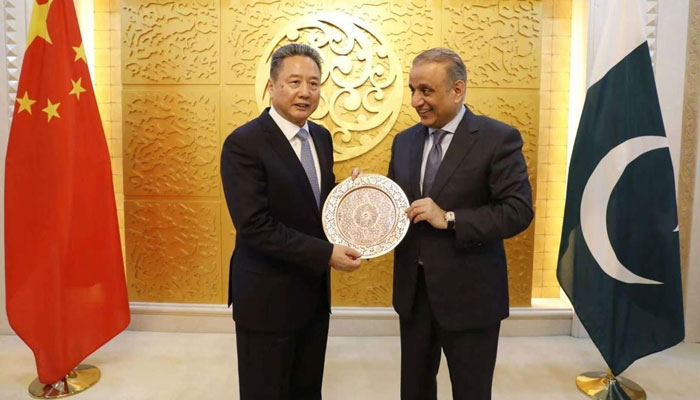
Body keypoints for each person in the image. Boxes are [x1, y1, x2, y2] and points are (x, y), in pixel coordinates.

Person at [387, 47, 534, 400]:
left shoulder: (498, 138)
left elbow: (517, 210)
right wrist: (364, 195)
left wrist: (450, 218)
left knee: (471, 392)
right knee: (415, 390)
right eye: (412, 89)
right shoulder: (404, 141)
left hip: (472, 297)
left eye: (426, 91)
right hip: (415, 295)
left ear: (457, 90)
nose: (415, 101)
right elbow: (396, 206)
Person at [220, 43, 362, 400]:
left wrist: (349, 196)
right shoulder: (244, 143)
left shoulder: (321, 137)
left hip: (313, 295)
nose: (305, 92)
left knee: (306, 389)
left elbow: (315, 202)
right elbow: (255, 226)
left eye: (313, 83)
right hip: (266, 297)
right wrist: (327, 254)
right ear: (272, 86)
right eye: (294, 81)